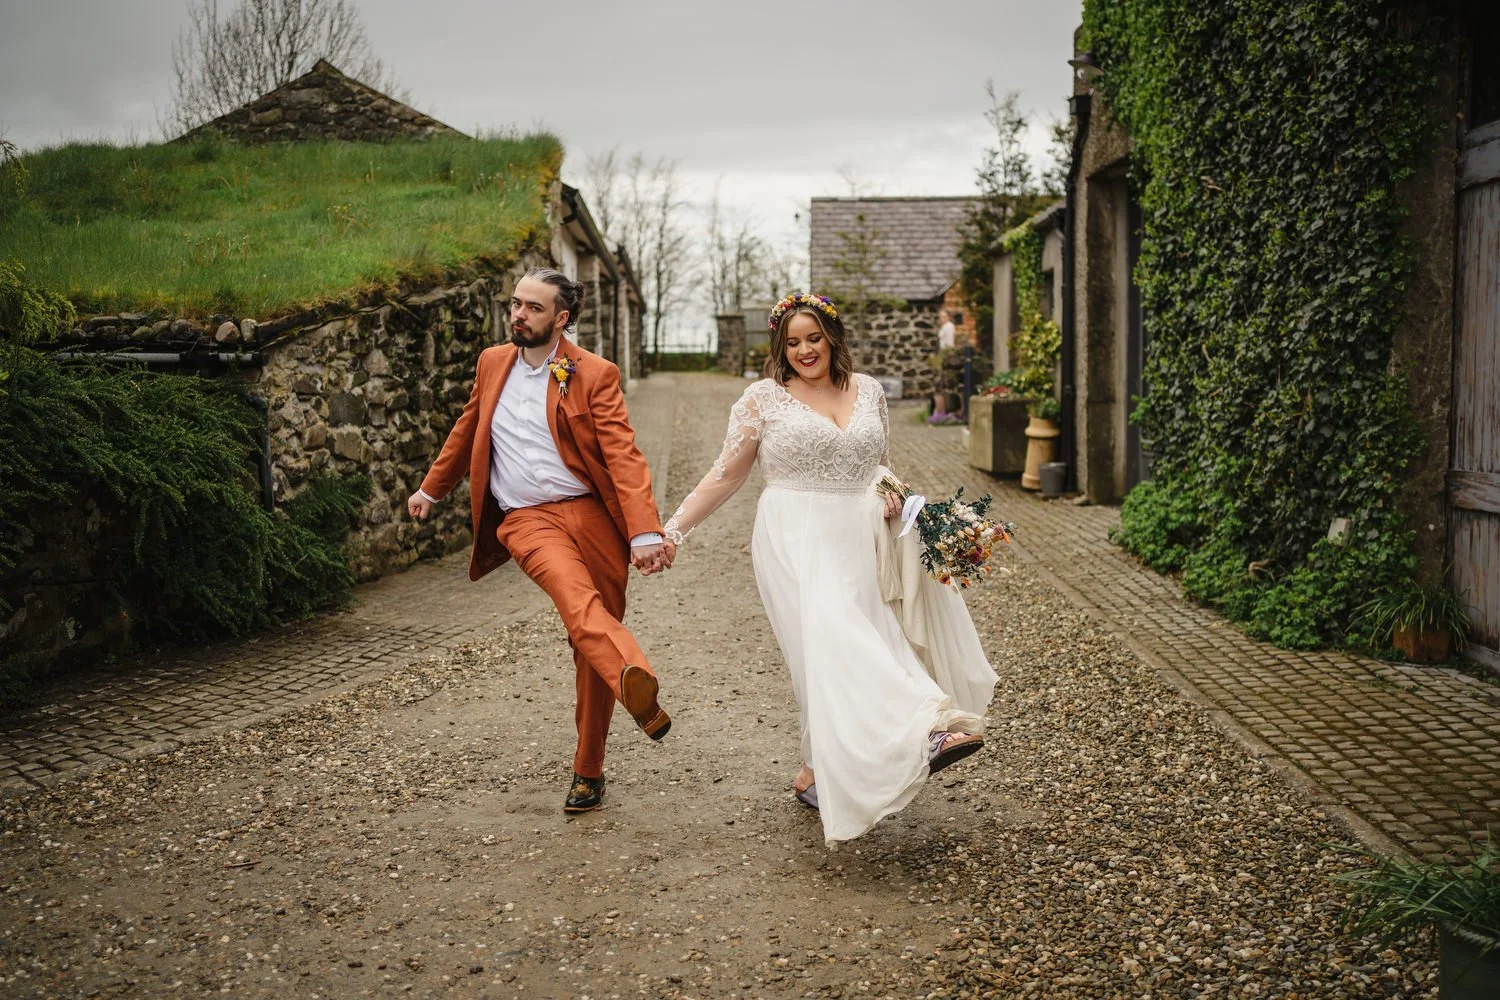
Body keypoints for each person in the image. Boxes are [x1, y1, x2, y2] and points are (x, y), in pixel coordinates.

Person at [661, 292, 998, 844]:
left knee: (848, 641)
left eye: (813, 337)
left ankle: (815, 770)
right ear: (779, 346)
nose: (803, 350)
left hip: (859, 532)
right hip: (793, 532)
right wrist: (672, 530)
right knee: (837, 636)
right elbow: (725, 475)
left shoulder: (868, 391)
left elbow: (879, 462)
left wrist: (890, 488)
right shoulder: (762, 400)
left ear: (833, 336)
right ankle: (929, 725)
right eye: (791, 342)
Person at [407, 268, 673, 815]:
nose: (518, 315)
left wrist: (644, 529)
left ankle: (589, 770)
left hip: (593, 517)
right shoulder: (491, 363)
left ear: (562, 318)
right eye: (516, 304)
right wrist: (431, 489)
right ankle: (634, 675)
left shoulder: (594, 374)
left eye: (532, 307)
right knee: (579, 606)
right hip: (528, 519)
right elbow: (467, 430)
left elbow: (622, 453)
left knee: (588, 645)